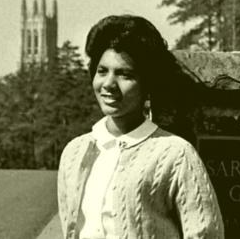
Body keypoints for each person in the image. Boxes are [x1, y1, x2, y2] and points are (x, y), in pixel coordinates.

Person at [57, 14, 224, 239]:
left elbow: (206, 235)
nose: (108, 84)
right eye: (102, 71)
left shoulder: (175, 154)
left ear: (147, 84)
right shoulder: (74, 153)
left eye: (125, 74)